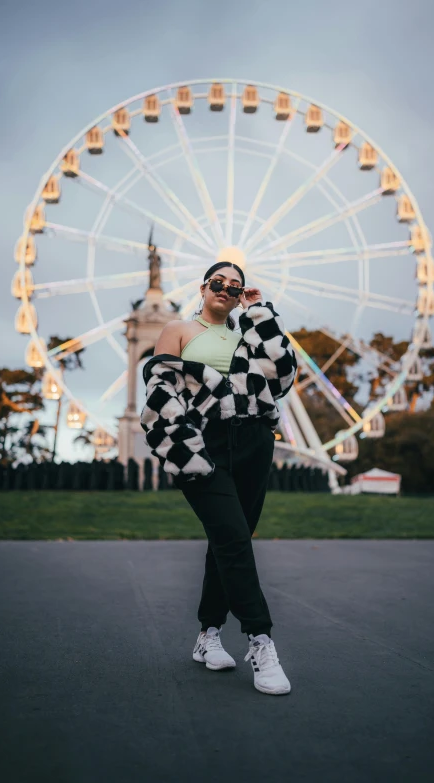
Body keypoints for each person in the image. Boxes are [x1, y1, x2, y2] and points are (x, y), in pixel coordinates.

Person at [140, 261, 298, 695]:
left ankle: (208, 635)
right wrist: (184, 448)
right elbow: (160, 390)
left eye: (235, 286)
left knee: (231, 540)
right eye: (218, 283)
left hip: (253, 441)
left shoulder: (248, 332)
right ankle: (261, 641)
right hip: (204, 442)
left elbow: (281, 375)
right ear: (203, 287)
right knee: (232, 537)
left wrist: (260, 312)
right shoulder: (178, 330)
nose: (225, 290)